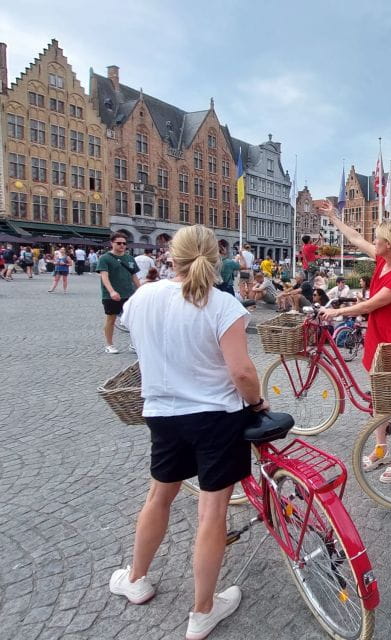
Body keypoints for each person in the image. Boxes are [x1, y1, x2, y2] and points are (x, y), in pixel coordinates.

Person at [112, 225, 265, 639]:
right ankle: (202, 611)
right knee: (212, 511)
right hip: (216, 416)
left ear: (170, 256)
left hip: (163, 413)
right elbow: (241, 371)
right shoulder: (222, 304)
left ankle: (136, 578)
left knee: (159, 496)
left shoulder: (143, 297)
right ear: (216, 258)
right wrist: (256, 403)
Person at [316, 200, 391, 482]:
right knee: (380, 400)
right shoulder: (384, 261)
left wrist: (336, 311)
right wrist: (334, 217)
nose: (374, 242)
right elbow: (355, 238)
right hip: (377, 338)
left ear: (389, 245)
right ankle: (380, 447)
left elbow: (369, 305)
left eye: (379, 239)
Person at [97, 233, 141, 353]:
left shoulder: (130, 258)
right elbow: (104, 276)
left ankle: (134, 344)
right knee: (111, 319)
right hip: (111, 295)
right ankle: (109, 345)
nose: (122, 245)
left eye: (124, 243)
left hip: (129, 294)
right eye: (119, 243)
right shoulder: (105, 258)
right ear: (112, 243)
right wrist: (111, 291)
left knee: (133, 319)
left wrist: (141, 289)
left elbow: (134, 276)